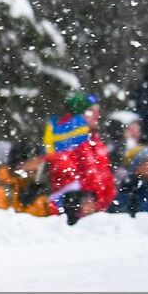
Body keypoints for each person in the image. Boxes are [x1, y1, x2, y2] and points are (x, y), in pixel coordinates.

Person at [43, 92, 116, 223]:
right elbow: (66, 183)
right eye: (90, 111)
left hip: (99, 214)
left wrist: (102, 203)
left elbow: (105, 179)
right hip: (75, 217)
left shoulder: (96, 142)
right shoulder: (66, 145)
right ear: (77, 116)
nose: (97, 115)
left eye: (97, 111)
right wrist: (84, 200)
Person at [0, 142, 52, 217]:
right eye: (32, 161)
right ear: (18, 164)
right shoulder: (1, 194)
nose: (36, 167)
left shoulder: (42, 191)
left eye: (39, 162)